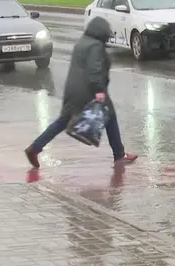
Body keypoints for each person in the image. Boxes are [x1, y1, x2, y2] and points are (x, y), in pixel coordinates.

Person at [24, 16, 138, 168]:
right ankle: (119, 154)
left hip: (73, 91)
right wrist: (98, 90)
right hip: (89, 90)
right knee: (110, 115)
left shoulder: (82, 42)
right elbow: (94, 69)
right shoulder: (96, 46)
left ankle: (35, 148)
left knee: (62, 121)